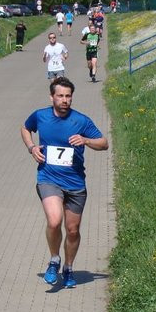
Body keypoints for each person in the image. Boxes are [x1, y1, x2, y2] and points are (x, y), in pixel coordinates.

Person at [20, 77, 109, 288]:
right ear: (52, 97)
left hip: (76, 183)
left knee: (72, 230)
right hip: (48, 178)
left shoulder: (81, 121)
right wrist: (32, 148)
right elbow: (25, 128)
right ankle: (54, 260)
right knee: (54, 220)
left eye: (68, 96)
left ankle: (68, 268)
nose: (64, 100)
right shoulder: (40, 116)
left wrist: (86, 140)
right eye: (60, 96)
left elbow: (104, 143)